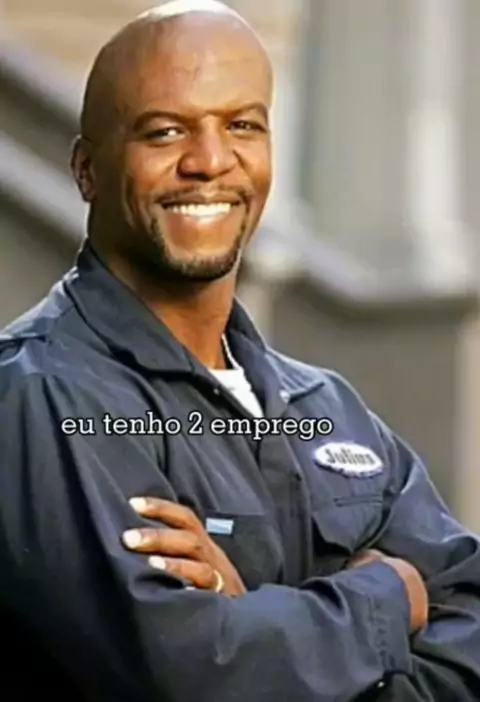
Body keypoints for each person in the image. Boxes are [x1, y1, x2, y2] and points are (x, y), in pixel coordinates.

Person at [0, 1, 479, 700]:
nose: (210, 162)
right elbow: (188, 674)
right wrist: (386, 595)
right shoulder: (44, 395)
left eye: (242, 126)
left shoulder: (327, 406)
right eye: (165, 132)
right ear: (86, 170)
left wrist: (256, 615)